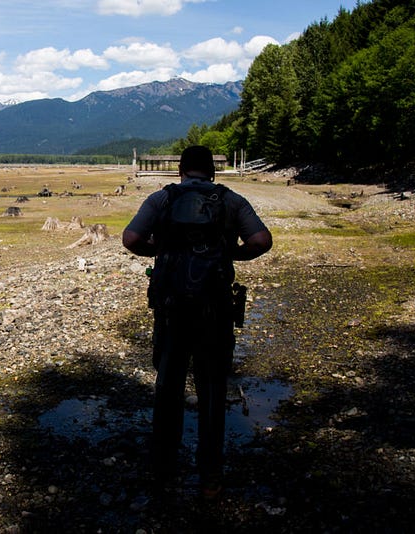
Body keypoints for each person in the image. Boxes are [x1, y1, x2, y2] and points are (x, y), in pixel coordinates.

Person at [122, 145, 272, 500]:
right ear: (212, 171)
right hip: (214, 311)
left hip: (172, 309)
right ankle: (210, 478)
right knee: (212, 390)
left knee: (168, 387)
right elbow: (261, 240)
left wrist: (160, 251)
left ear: (181, 170)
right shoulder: (231, 200)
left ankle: (163, 470)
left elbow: (131, 238)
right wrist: (230, 252)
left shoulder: (162, 199)